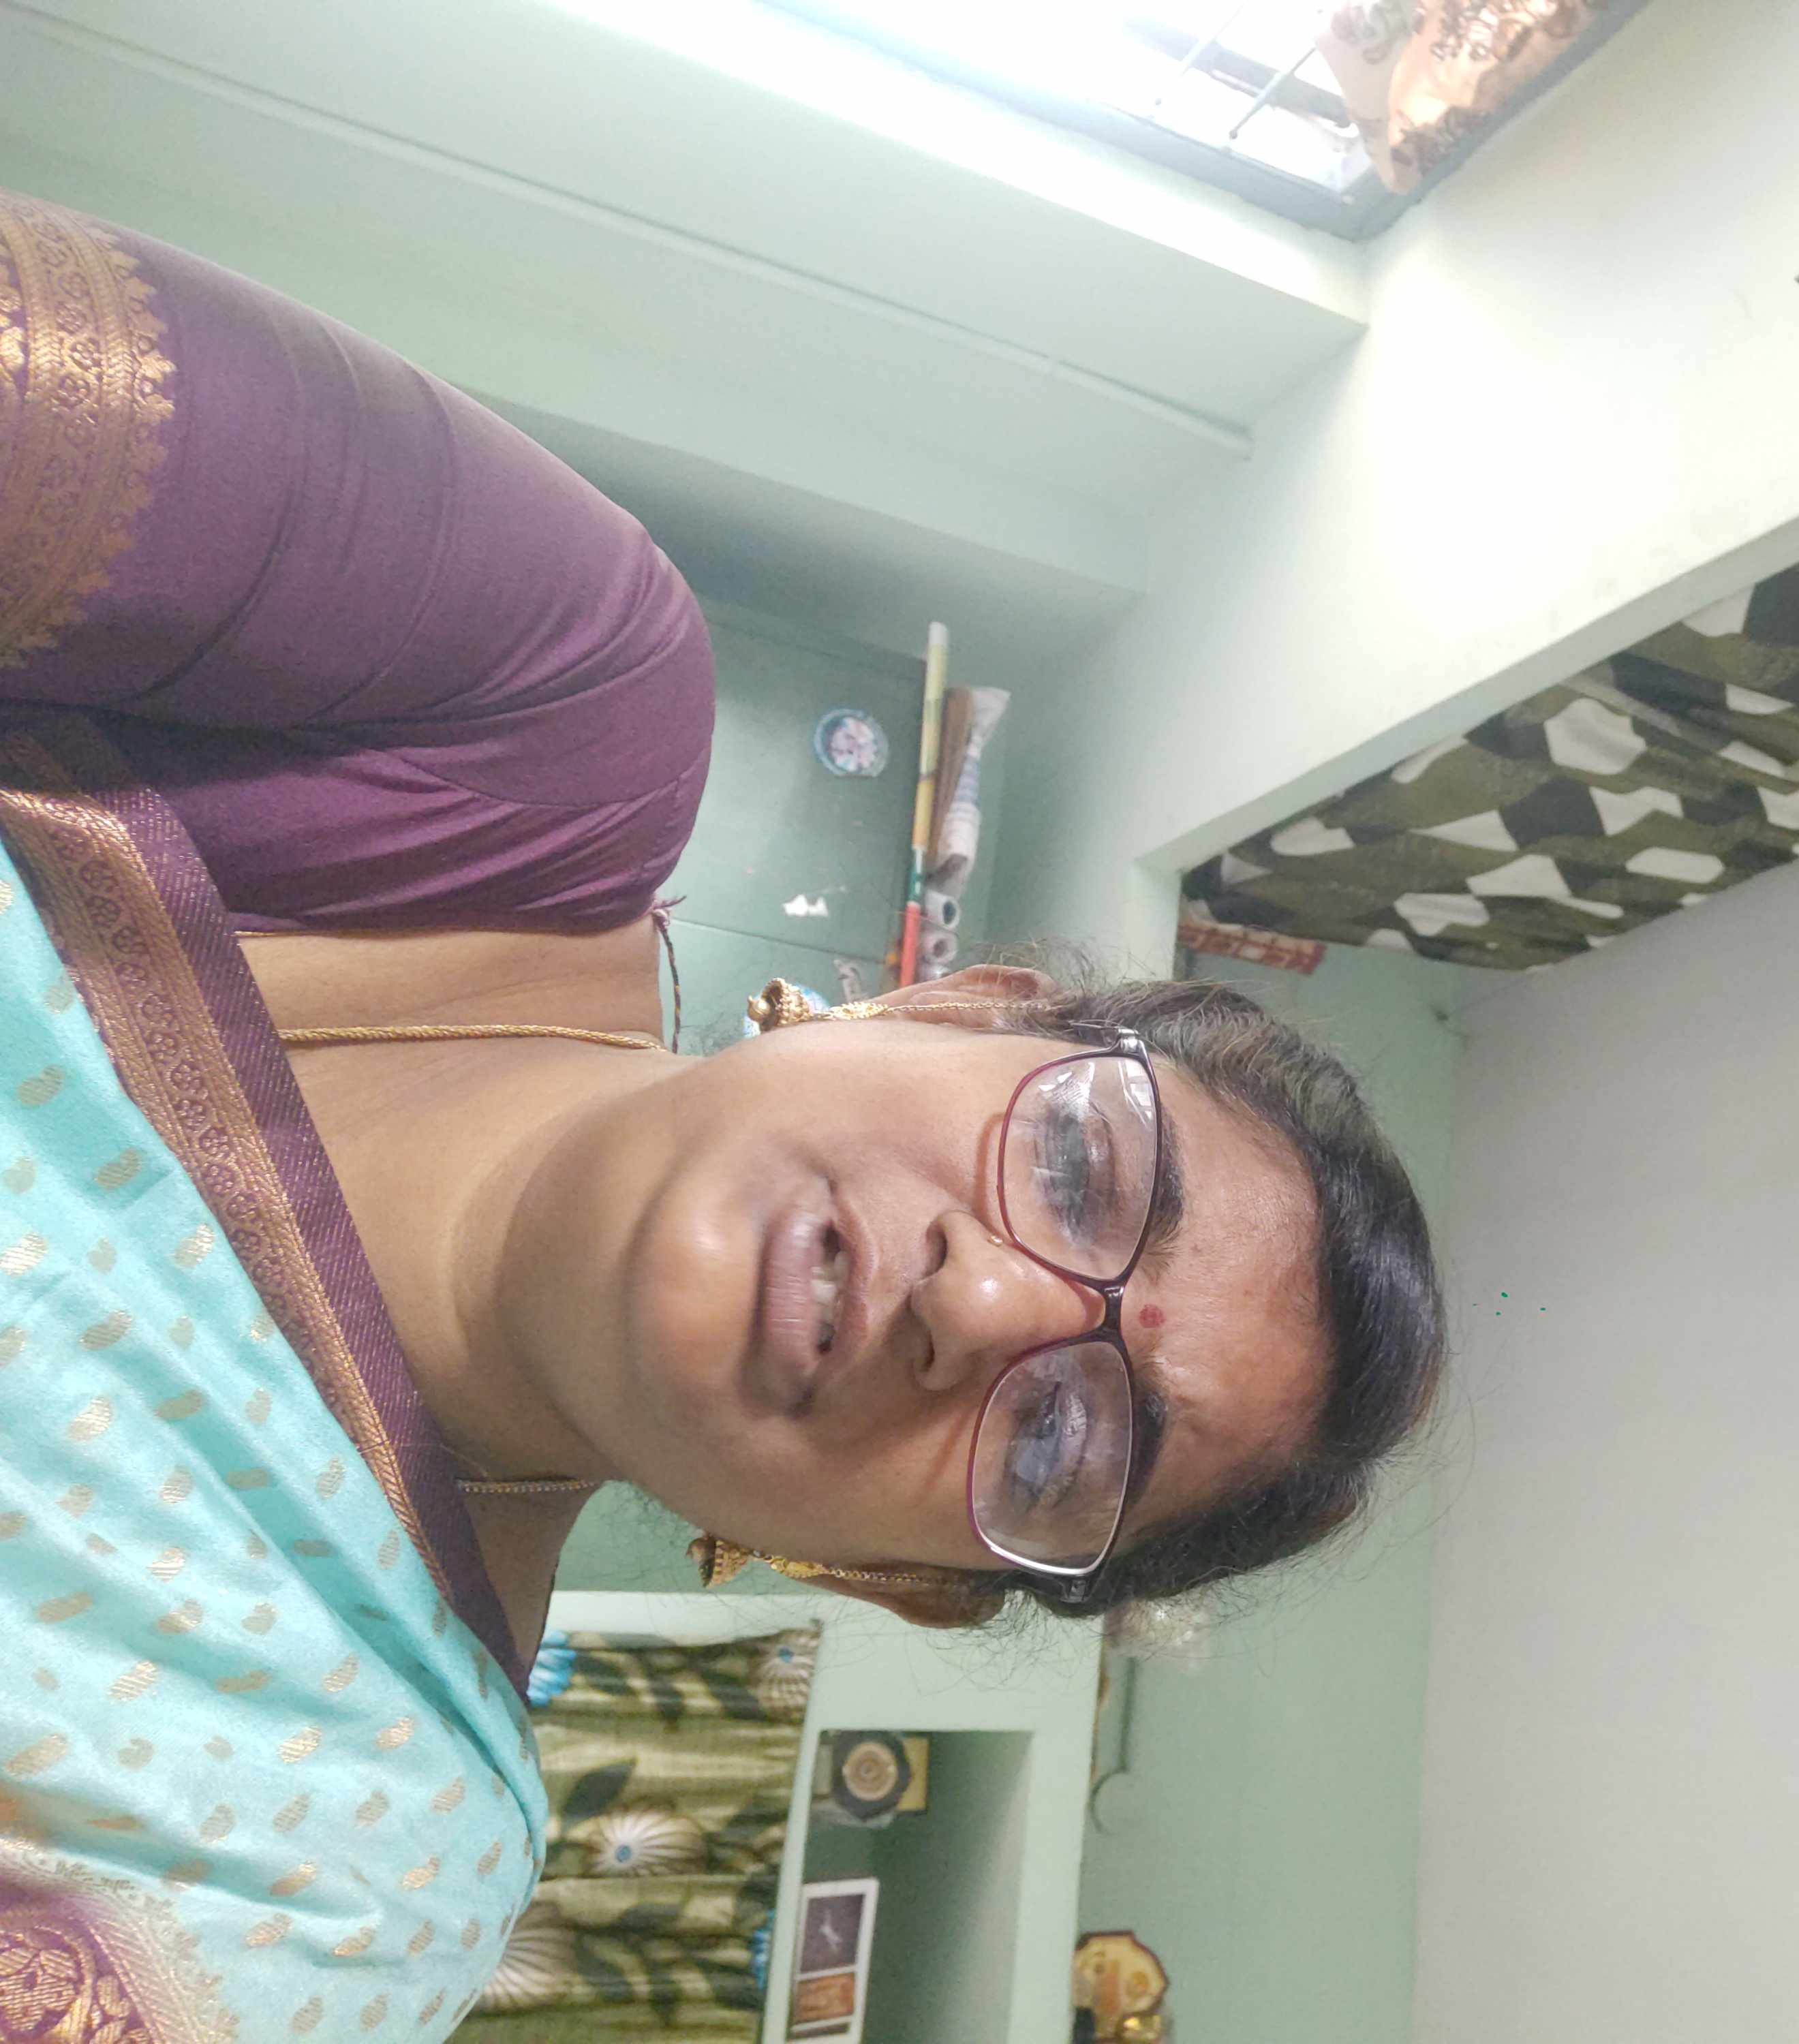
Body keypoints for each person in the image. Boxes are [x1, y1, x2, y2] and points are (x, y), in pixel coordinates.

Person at [0, 187, 1444, 2037]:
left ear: (905, 1582)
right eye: (1083, 1165)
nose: (983, 1302)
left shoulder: (345, 1871)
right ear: (965, 1003)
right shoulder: (535, 701)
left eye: (1056, 1450)